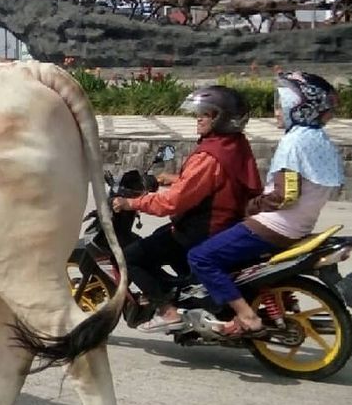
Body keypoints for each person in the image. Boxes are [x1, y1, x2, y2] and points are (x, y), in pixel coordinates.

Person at [188, 72, 344, 336]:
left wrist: (252, 207)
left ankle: (245, 315)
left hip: (272, 227)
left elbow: (285, 195)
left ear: (299, 107)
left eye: (281, 103)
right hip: (299, 226)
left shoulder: (294, 142)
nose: (277, 111)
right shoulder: (321, 141)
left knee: (200, 257)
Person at [111, 86, 262, 332]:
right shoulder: (233, 144)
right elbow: (215, 183)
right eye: (200, 113)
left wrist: (131, 203)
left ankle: (167, 311)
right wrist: (174, 178)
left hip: (200, 231)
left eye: (207, 114)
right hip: (226, 225)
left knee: (131, 257)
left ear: (222, 119)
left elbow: (172, 203)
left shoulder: (208, 157)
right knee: (161, 241)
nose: (199, 118)